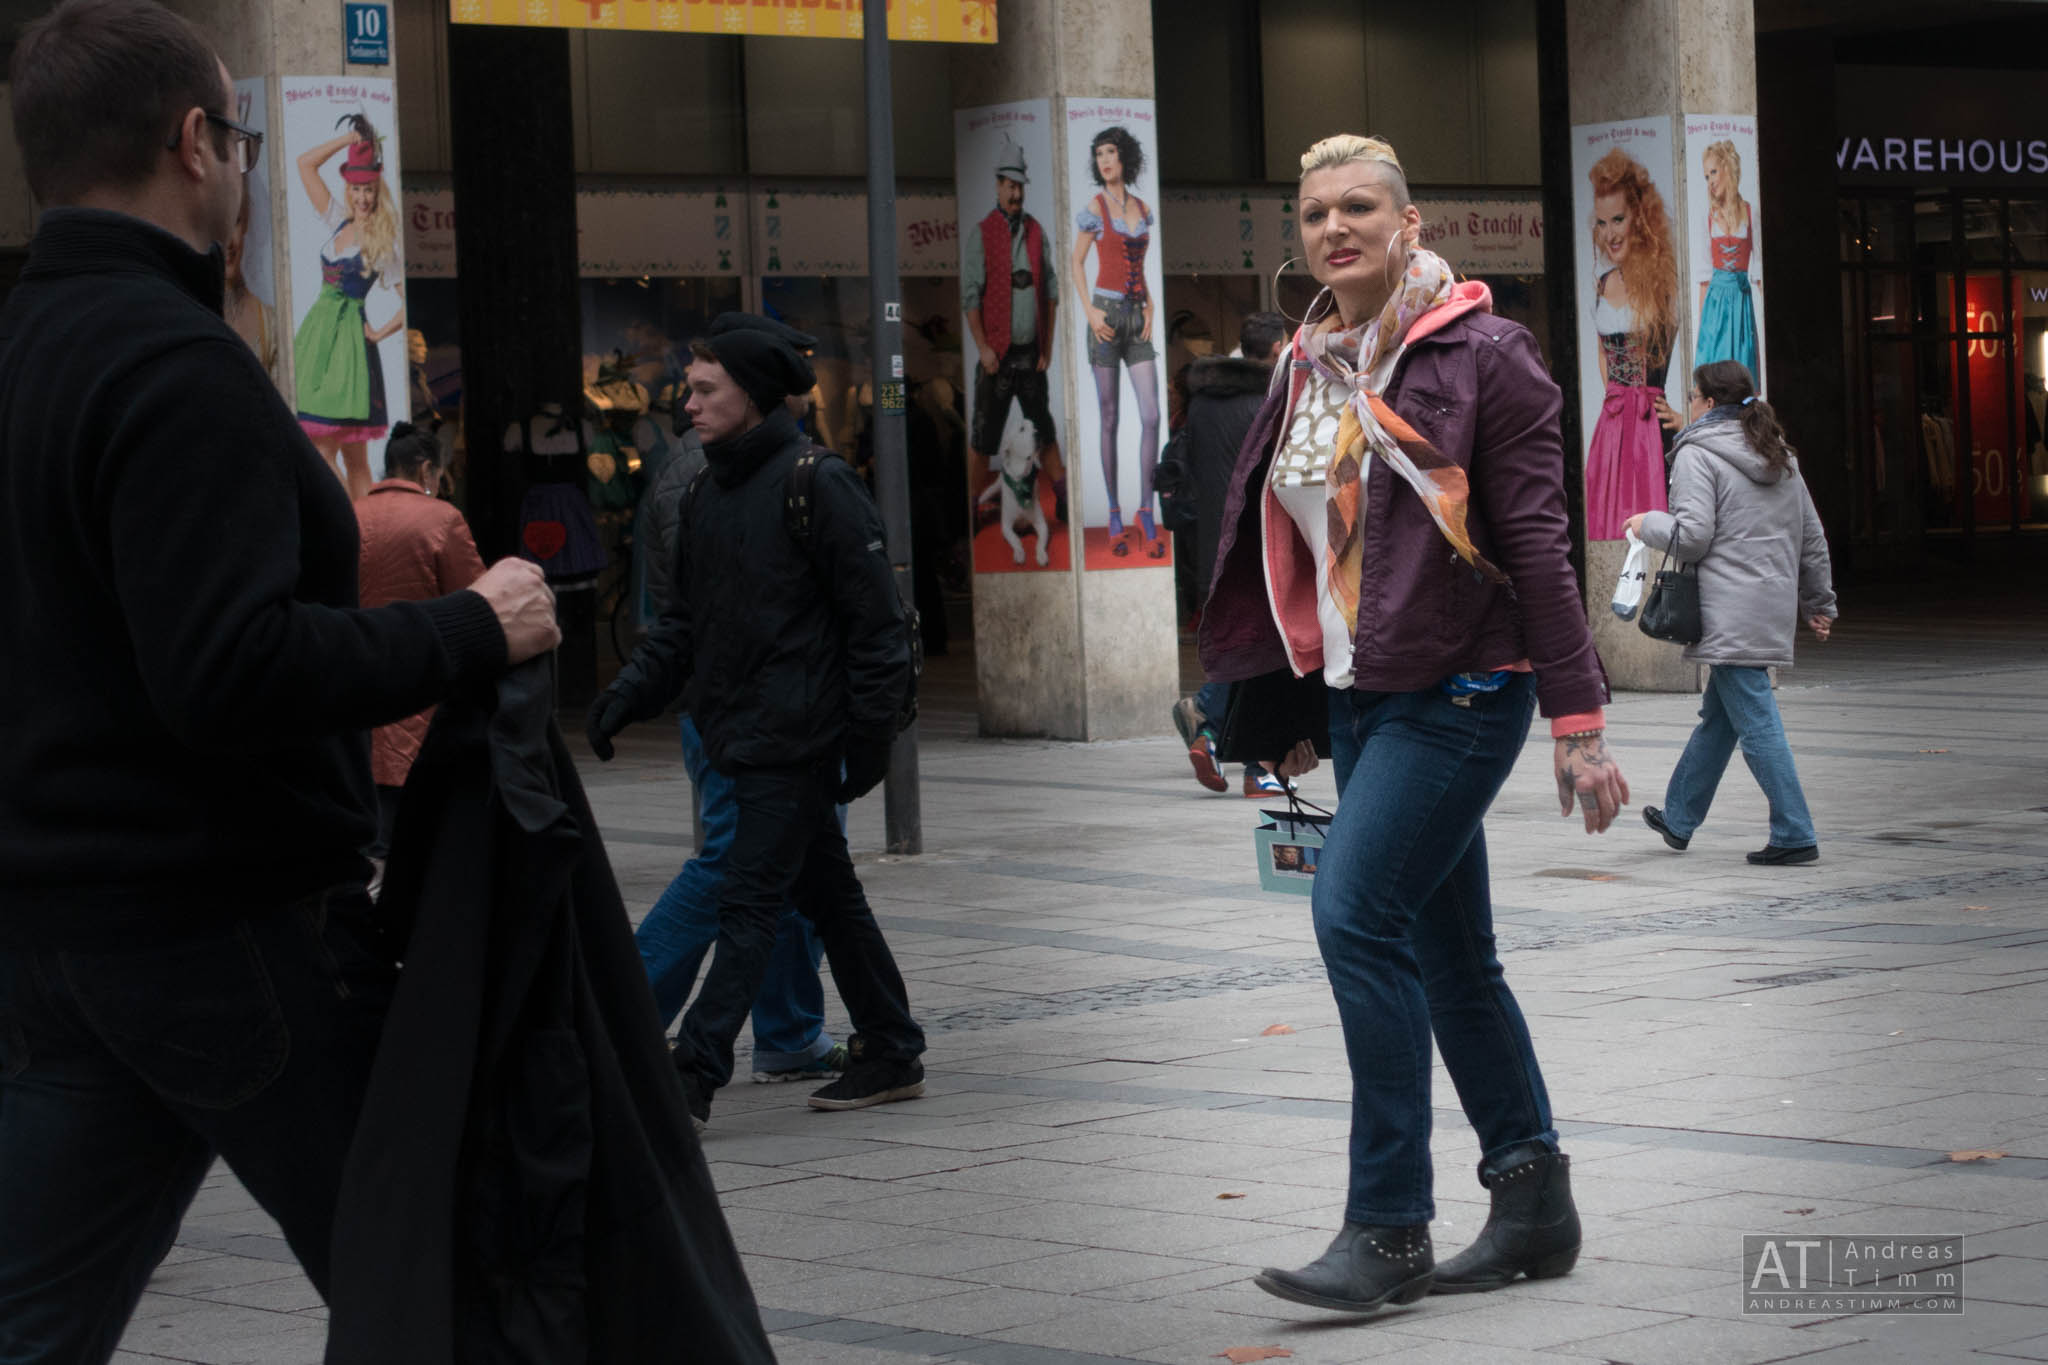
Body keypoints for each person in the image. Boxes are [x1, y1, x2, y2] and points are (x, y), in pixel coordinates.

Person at [0, 4, 559, 1358]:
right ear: (199, 143)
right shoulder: (175, 364)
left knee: (34, 1316)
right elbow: (230, 667)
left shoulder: (23, 349)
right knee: (436, 1268)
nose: (246, 171)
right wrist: (474, 628)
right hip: (228, 925)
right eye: (242, 143)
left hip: (58, 935)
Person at [1200, 134, 1629, 1315]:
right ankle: (1532, 1201)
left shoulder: (1488, 357)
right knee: (1449, 957)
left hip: (1464, 690)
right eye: (1312, 215)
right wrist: (1270, 707)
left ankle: (1387, 1227)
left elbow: (1537, 547)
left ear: (1409, 220)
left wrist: (1576, 718)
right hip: (1356, 701)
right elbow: (1285, 552)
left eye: (1356, 208)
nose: (1332, 229)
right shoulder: (1305, 365)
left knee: (1352, 914)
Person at [585, 313, 924, 1131]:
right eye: (688, 390)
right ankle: (890, 1045)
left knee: (747, 901)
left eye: (705, 390)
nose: (687, 404)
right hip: (741, 732)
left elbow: (880, 624)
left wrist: (873, 736)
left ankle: (690, 1071)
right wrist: (627, 693)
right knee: (829, 892)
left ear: (752, 393)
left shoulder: (818, 481)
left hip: (796, 737)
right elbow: (683, 624)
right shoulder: (706, 488)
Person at [633, 388, 849, 1085]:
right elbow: (734, 599)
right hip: (749, 704)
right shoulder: (712, 473)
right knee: (736, 857)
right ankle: (621, 1015)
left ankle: (789, 1030)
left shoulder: (696, 466)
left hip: (750, 699)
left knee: (792, 859)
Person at [1626, 361, 1836, 866]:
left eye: (1692, 396)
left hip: (1729, 609)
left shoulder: (1698, 455)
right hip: (1767, 607)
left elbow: (1692, 537)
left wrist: (1646, 522)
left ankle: (1794, 831)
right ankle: (1679, 818)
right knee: (1720, 719)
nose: (1689, 403)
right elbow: (1812, 537)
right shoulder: (1780, 456)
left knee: (1757, 722)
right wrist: (1819, 603)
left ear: (1707, 403)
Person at [355, 421, 489, 875]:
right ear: (427, 470)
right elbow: (475, 600)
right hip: (424, 681)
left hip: (362, 681)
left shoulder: (352, 514)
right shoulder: (442, 519)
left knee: (374, 829)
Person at [1170, 310, 1289, 796]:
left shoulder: (1201, 403)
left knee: (1247, 643)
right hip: (1258, 541)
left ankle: (1220, 731)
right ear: (1279, 349)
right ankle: (1254, 761)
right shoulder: (1268, 403)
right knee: (1270, 648)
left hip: (1211, 544)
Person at [293, 111, 404, 502]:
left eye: (369, 190)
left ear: (378, 191)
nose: (362, 197)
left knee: (332, 454)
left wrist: (379, 332)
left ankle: (355, 532)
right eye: (356, 189)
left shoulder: (385, 241)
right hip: (316, 340)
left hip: (350, 350)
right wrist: (348, 141)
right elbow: (305, 164)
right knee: (346, 456)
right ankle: (364, 536)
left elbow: (406, 303)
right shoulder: (338, 220)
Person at [1070, 125, 1164, 558]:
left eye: (1111, 152)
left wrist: (1150, 305)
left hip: (1136, 315)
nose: (1105, 161)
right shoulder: (1094, 208)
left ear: (1124, 158)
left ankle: (1145, 508)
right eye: (1099, 155)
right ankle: (1112, 510)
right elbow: (1076, 261)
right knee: (1109, 416)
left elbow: (1139, 265)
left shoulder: (1142, 207)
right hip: (1106, 316)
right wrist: (1089, 311)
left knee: (1151, 415)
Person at [965, 136, 1065, 534]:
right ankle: (972, 507)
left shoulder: (1037, 231)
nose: (1015, 191)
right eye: (1008, 183)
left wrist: (1048, 346)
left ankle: (1062, 497)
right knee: (983, 436)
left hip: (1031, 354)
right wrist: (984, 348)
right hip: (997, 358)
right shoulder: (982, 234)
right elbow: (970, 296)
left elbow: (1052, 291)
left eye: (1019, 184)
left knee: (1045, 428)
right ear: (997, 185)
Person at [1584, 147, 1681, 541]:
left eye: (1618, 219)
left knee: (1653, 532)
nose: (1609, 233)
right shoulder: (1604, 282)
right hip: (1612, 428)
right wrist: (1614, 403)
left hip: (1649, 428)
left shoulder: (1664, 284)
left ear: (1639, 218)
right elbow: (1603, 355)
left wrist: (1684, 419)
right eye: (1603, 222)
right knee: (1609, 530)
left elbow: (1690, 348)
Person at [1694, 140, 1759, 379]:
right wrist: (1703, 332)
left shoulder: (1751, 213)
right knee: (1715, 376)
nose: (1710, 181)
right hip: (1715, 308)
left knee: (1741, 379)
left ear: (1727, 169)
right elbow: (1704, 281)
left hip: (1741, 305)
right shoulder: (1707, 217)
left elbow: (1760, 274)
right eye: (1706, 176)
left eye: (1713, 172)